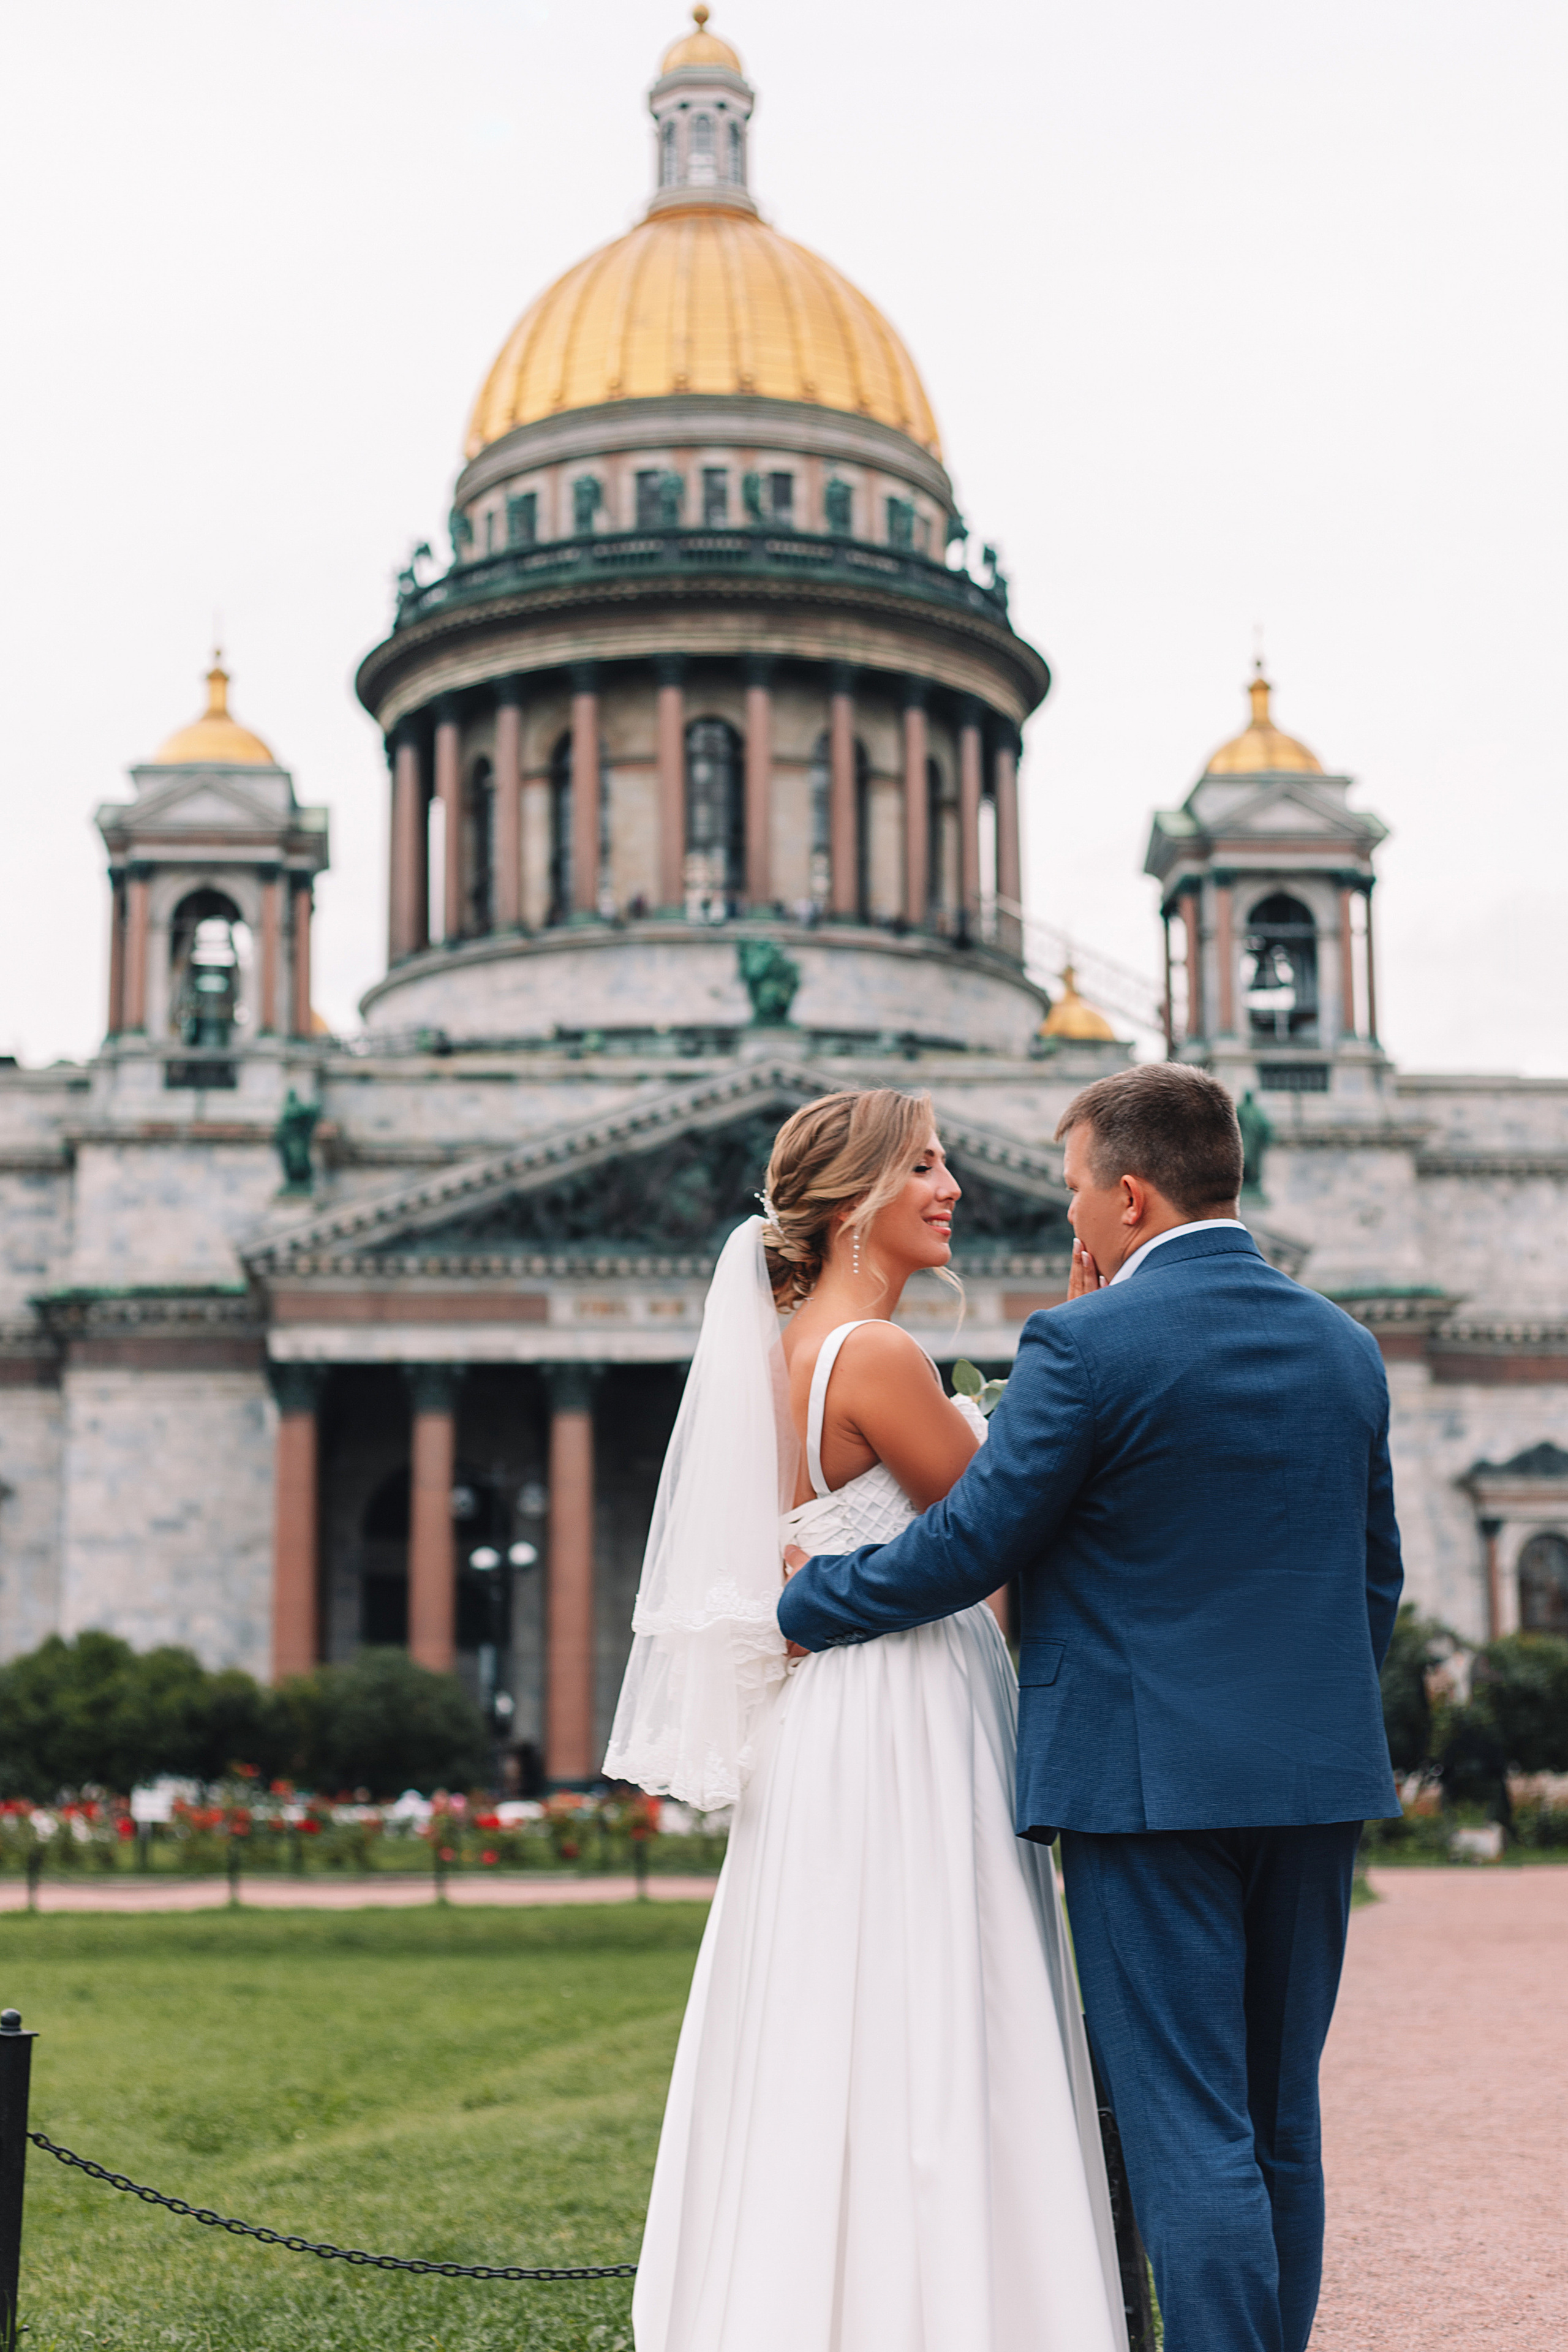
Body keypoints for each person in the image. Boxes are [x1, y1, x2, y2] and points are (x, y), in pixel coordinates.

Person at [780, 1063, 1404, 2352]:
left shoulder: (1082, 1343)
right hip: (1311, 1777)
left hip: (1139, 1785)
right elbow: (1371, 1577)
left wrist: (798, 1607)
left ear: (1126, 1197)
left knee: (1189, 2125)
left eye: (1072, 1190)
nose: (1065, 1215)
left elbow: (973, 1544)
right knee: (1282, 2119)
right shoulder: (1341, 1346)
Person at [606, 1087, 1127, 2352]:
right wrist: (1088, 1338)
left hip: (829, 1711)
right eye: (923, 1168)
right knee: (941, 1994)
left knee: (830, 2003)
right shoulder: (878, 1356)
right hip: (905, 1699)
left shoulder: (791, 1345)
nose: (951, 1188)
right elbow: (1009, 1515)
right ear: (849, 1206)